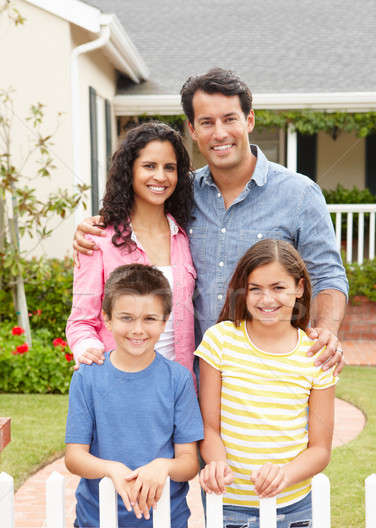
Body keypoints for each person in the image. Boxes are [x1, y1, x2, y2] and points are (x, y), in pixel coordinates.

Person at [72, 68, 348, 376]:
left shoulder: (300, 195)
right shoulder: (180, 194)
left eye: (230, 119)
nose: (219, 133)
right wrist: (98, 227)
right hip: (195, 377)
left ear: (250, 120)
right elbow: (140, 218)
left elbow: (328, 276)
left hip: (271, 375)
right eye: (207, 122)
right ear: (192, 129)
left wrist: (326, 330)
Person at [195, 239, 337, 528]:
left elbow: (320, 450)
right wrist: (217, 462)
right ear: (243, 290)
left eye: (278, 287)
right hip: (232, 507)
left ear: (300, 288)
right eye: (255, 288)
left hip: (294, 509)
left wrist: (284, 475)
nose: (266, 299)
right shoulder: (221, 341)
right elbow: (208, 426)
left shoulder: (314, 355)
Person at [65, 264, 204, 528]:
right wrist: (109, 468)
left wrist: (164, 466)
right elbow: (74, 456)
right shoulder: (87, 377)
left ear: (165, 321)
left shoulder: (178, 380)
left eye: (150, 319)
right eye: (126, 317)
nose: (138, 329)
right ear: (107, 320)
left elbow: (189, 462)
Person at [66, 120, 196, 383]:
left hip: (179, 388)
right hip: (120, 385)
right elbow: (81, 321)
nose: (161, 176)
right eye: (149, 166)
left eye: (169, 168)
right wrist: (89, 351)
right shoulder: (99, 239)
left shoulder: (185, 236)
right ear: (130, 171)